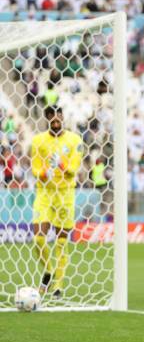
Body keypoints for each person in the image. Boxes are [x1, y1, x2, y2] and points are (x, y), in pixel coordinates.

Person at [32, 106, 83, 299]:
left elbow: (73, 169)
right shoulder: (38, 141)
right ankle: (49, 270)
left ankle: (58, 286)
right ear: (46, 119)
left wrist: (60, 164)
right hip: (44, 194)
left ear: (63, 117)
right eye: (51, 117)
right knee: (38, 239)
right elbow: (35, 169)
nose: (55, 120)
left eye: (58, 117)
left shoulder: (75, 140)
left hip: (65, 195)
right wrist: (46, 172)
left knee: (61, 243)